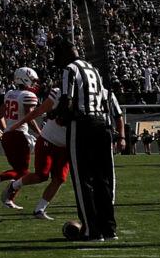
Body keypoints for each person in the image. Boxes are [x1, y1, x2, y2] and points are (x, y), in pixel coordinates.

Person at [45, 41, 123, 241]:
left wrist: (55, 114)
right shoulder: (93, 69)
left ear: (63, 55)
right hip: (102, 125)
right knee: (102, 179)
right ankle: (109, 228)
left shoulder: (69, 69)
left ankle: (91, 230)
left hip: (82, 125)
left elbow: (67, 101)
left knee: (83, 180)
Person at [0, 67, 39, 209]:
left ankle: (8, 199)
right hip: (20, 136)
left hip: (8, 135)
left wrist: (7, 130)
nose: (34, 83)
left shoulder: (9, 94)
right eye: (32, 80)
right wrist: (40, 133)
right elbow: (30, 118)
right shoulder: (27, 96)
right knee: (23, 172)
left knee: (18, 170)